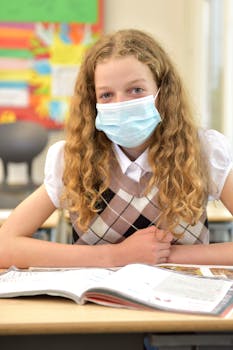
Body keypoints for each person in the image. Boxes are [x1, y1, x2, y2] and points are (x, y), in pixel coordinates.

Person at [0, 28, 233, 269]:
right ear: (93, 102)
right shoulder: (72, 160)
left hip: (181, 302)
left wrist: (162, 257)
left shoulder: (202, 152)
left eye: (136, 90)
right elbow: (5, 246)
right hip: (96, 305)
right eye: (107, 94)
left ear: (163, 94)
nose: (121, 104)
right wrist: (118, 256)